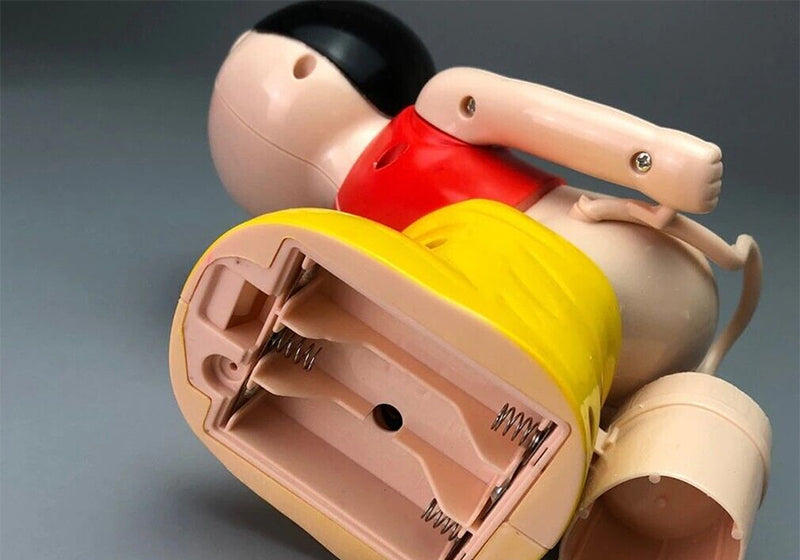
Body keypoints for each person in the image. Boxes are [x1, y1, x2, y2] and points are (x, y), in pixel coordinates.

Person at [209, 0, 760, 405]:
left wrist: (659, 158)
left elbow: (541, 118)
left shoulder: (437, 111)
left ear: (305, 67)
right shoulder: (339, 241)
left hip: (603, 274)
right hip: (575, 320)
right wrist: (659, 161)